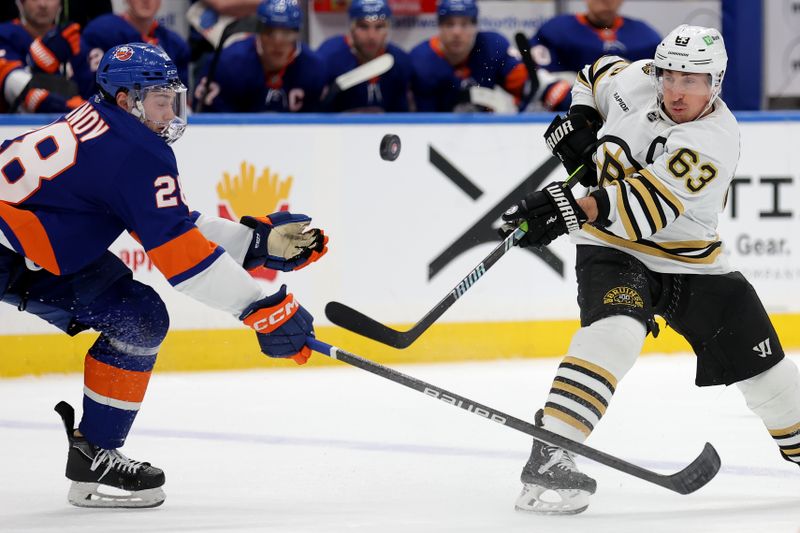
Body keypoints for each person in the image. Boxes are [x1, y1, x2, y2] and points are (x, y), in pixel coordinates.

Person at [0, 42, 328, 508]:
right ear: (126, 100)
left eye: (173, 97)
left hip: (20, 243)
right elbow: (181, 257)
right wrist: (260, 307)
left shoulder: (108, 129)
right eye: (161, 99)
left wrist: (254, 244)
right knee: (138, 317)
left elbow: (169, 226)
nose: (170, 110)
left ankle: (95, 454)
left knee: (139, 317)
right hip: (10, 248)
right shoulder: (134, 151)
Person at [500, 25, 799, 515]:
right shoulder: (637, 80)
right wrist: (580, 117)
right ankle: (552, 449)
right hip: (612, 249)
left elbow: (644, 209)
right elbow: (593, 74)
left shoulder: (712, 140)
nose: (678, 90)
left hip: (692, 263)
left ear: (716, 83)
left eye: (693, 80)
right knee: (616, 330)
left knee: (770, 376)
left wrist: (566, 208)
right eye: (671, 75)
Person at [525, 0, 660, 110]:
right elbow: (533, 77)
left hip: (628, 115)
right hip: (566, 114)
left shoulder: (646, 37)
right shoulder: (555, 30)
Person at [195, 0, 325, 113]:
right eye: (270, 32)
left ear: (297, 33)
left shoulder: (314, 68)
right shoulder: (227, 63)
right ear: (258, 30)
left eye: (286, 32)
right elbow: (211, 123)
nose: (277, 42)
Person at [409, 0, 529, 113]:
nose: (457, 33)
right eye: (449, 24)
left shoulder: (492, 47)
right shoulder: (419, 60)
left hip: (484, 129)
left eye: (464, 24)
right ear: (439, 27)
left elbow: (527, 86)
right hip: (434, 130)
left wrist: (544, 91)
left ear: (475, 27)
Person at [316, 0, 412, 112]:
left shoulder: (400, 61)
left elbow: (402, 118)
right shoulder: (329, 57)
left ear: (388, 29)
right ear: (351, 28)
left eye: (379, 27)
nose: (371, 36)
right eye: (363, 26)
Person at [0, 0, 88, 112]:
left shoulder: (71, 38)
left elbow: (92, 90)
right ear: (21, 2)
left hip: (73, 124)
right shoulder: (5, 35)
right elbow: (13, 83)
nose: (43, 4)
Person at [82, 0, 191, 88]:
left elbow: (179, 100)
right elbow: (90, 89)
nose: (146, 1)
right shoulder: (102, 32)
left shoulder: (174, 44)